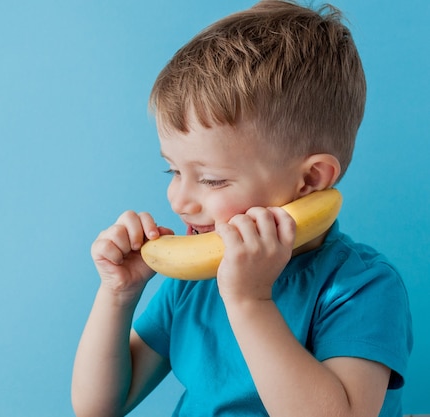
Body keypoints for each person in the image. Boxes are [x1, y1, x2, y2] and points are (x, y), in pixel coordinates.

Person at [71, 1, 413, 416]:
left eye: (212, 179)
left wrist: (250, 300)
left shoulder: (362, 288)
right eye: (173, 171)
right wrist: (118, 295)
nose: (179, 200)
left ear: (309, 181)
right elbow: (98, 407)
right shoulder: (192, 281)